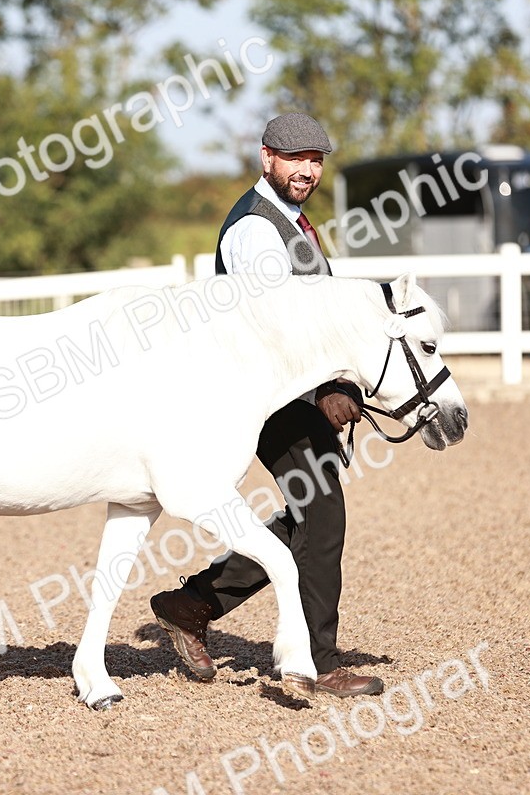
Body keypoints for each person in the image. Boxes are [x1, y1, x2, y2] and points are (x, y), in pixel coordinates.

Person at [149, 113, 384, 697]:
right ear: (267, 159)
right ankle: (321, 663)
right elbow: (275, 326)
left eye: (316, 160)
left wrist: (342, 377)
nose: (307, 170)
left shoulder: (290, 222)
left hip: (292, 391)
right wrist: (323, 390)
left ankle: (192, 604)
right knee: (323, 516)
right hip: (272, 398)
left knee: (307, 515)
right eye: (296, 158)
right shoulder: (256, 230)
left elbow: (313, 313)